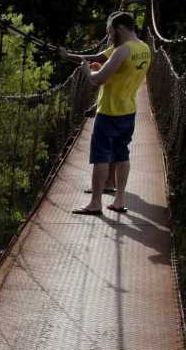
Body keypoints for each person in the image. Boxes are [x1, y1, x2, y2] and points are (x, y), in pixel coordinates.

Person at [60, 12, 152, 216]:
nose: (109, 36)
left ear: (119, 28)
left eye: (110, 31)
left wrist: (86, 69)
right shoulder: (144, 49)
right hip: (128, 111)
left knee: (100, 157)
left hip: (109, 113)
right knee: (122, 154)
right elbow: (109, 67)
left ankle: (95, 203)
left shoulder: (122, 51)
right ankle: (119, 201)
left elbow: (97, 79)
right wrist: (70, 57)